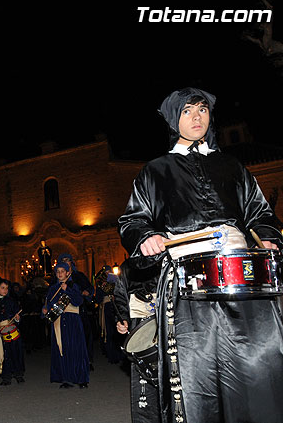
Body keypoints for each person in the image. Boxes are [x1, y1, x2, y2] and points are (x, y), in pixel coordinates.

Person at [118, 87, 283, 423]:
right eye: (187, 111)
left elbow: (260, 214)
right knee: (197, 372)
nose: (197, 117)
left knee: (258, 364)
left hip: (242, 276)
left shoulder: (232, 166)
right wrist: (146, 237)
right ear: (173, 119)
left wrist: (267, 237)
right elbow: (133, 221)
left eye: (203, 110)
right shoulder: (155, 171)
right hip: (184, 279)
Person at [114, 259, 162, 423]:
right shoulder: (127, 267)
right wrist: (122, 319)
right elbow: (120, 296)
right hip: (139, 329)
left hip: (164, 323)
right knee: (143, 377)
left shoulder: (165, 259)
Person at [42, 261, 90, 389]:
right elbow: (49, 303)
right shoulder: (52, 288)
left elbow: (79, 301)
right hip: (58, 320)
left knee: (76, 348)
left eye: (62, 271)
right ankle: (66, 378)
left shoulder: (73, 285)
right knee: (62, 348)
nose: (60, 274)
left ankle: (81, 378)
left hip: (73, 321)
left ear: (68, 273)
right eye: (57, 272)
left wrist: (67, 289)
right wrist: (45, 310)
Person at [58, 253, 95, 371]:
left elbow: (89, 288)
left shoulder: (79, 276)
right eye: (63, 260)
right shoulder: (57, 277)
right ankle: (68, 363)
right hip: (64, 312)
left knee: (85, 334)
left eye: (68, 260)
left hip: (79, 310)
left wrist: (86, 292)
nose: (66, 262)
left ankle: (87, 360)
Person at [0, 279, 25, 386]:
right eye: (2, 288)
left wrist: (18, 318)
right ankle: (6, 376)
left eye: (6, 288)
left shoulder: (11, 301)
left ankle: (18, 374)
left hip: (11, 328)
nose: (5, 290)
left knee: (16, 352)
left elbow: (17, 314)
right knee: (4, 354)